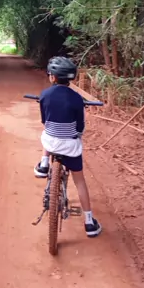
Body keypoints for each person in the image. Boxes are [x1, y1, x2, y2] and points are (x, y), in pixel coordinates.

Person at [34, 56, 102, 238]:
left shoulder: (44, 95)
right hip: (71, 147)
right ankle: (89, 223)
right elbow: (80, 127)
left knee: (47, 132)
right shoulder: (77, 98)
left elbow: (44, 120)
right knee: (80, 181)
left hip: (51, 142)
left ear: (53, 77)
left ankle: (44, 164)